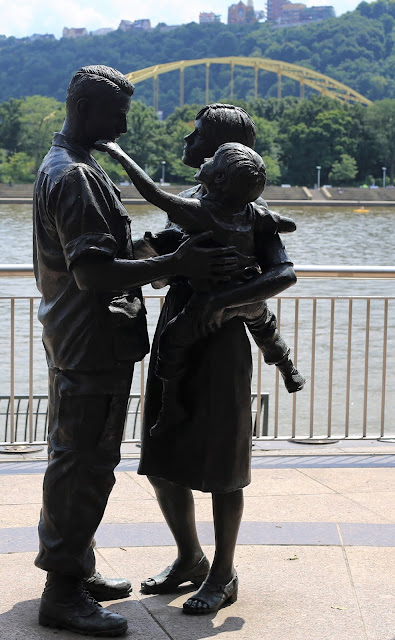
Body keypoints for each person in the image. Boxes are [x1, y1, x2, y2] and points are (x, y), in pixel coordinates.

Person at [33, 69, 239, 637]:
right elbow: (93, 272)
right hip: (91, 342)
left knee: (74, 456)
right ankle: (63, 591)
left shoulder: (71, 165)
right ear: (83, 108)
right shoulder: (75, 176)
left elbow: (108, 253)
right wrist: (175, 265)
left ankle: (75, 563)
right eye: (117, 112)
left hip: (79, 337)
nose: (125, 123)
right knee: (85, 465)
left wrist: (154, 250)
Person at [134, 103, 300, 615]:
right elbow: (165, 267)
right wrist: (156, 262)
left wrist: (219, 300)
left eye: (199, 133)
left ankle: (224, 573)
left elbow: (281, 273)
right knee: (161, 455)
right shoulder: (189, 203)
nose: (189, 139)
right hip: (177, 332)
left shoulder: (251, 211)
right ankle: (190, 558)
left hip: (222, 342)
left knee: (225, 466)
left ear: (222, 152)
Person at [97, 139, 305, 437]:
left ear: (219, 178)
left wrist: (120, 155)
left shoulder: (200, 212)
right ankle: (288, 368)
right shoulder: (250, 212)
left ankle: (170, 408)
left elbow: (153, 193)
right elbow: (284, 224)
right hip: (247, 291)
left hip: (207, 297)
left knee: (171, 342)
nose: (204, 156)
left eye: (213, 157)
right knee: (265, 327)